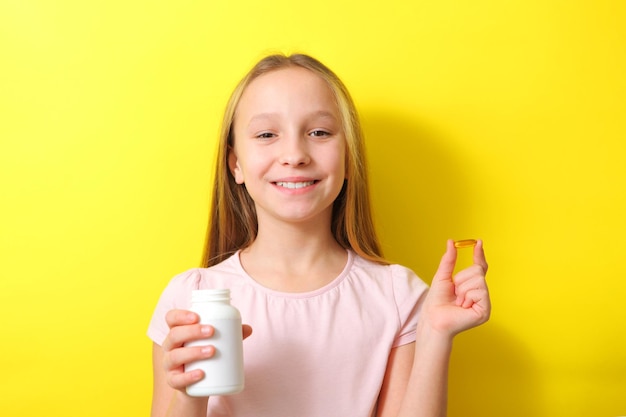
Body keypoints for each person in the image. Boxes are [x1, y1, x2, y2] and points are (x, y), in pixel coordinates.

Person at [147, 53, 490, 417]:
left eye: (319, 132)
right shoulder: (190, 298)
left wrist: (435, 334)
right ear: (236, 165)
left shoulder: (397, 295)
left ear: (348, 160)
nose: (294, 155)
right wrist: (189, 395)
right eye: (266, 134)